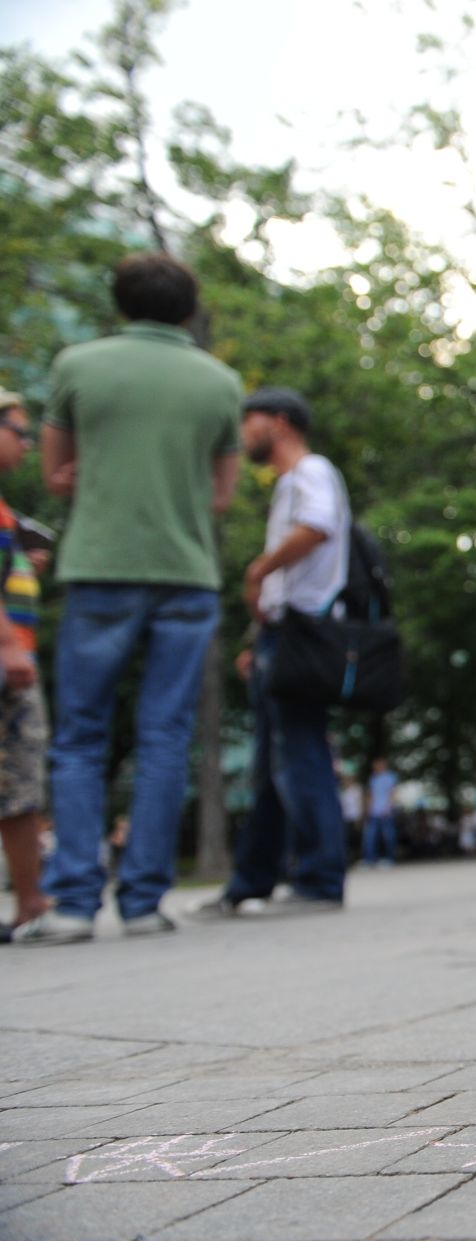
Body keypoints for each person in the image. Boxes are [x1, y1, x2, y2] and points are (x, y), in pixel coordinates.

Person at [19, 255, 242, 945]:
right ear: (186, 309)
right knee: (165, 735)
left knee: (82, 736)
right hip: (185, 572)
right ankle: (144, 900)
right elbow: (222, 496)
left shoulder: (77, 365)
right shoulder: (221, 382)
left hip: (102, 566)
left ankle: (76, 903)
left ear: (120, 303)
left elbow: (56, 476)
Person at [198, 388, 351, 917]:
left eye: (251, 421)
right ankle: (251, 882)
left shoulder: (311, 472)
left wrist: (260, 569)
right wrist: (255, 642)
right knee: (271, 760)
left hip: (302, 632)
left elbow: (319, 527)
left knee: (300, 752)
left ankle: (320, 877)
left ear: (280, 423)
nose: (244, 434)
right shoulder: (291, 481)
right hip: (280, 633)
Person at [0, 390, 51, 942]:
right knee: (18, 777)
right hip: (7, 657)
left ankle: (30, 902)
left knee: (17, 784)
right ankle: (32, 902)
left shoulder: (6, 511)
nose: (26, 443)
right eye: (18, 430)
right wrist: (9, 644)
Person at [362, 757, 398, 868]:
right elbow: (371, 795)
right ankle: (370, 860)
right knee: (370, 837)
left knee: (388, 836)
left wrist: (388, 807)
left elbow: (392, 793)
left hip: (385, 812)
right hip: (374, 812)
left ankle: (390, 859)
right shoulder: (373, 778)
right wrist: (368, 809)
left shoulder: (390, 777)